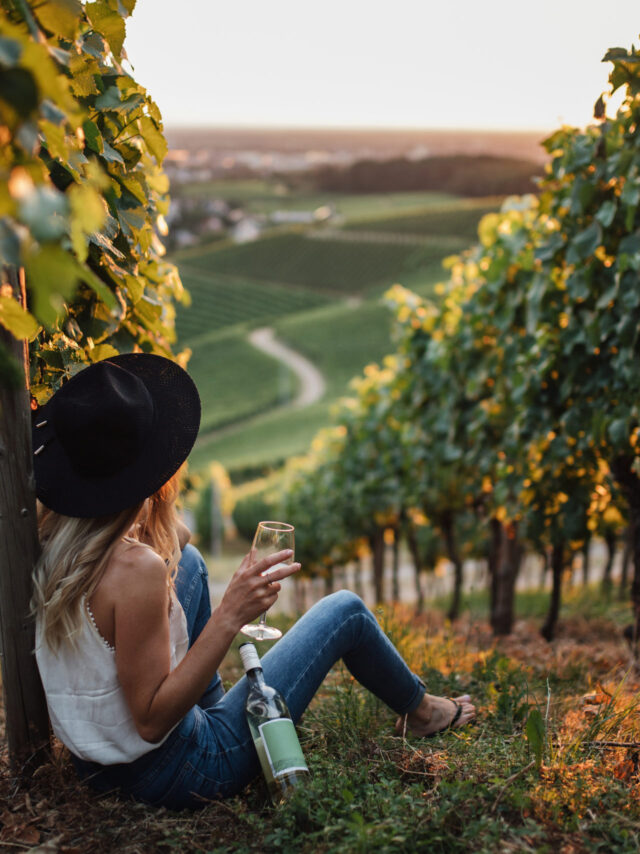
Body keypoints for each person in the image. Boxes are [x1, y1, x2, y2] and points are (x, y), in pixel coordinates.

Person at [31, 354, 475, 810]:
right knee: (345, 611)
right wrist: (230, 614)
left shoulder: (53, 537)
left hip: (96, 765)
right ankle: (422, 712)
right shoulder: (135, 570)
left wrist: (150, 508)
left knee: (192, 560)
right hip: (176, 772)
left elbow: (176, 544)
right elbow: (149, 722)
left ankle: (217, 709)